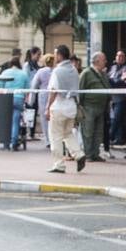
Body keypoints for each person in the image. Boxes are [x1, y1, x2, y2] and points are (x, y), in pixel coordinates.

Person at [45, 45, 86, 174]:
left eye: (56, 53)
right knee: (67, 133)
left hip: (59, 106)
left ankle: (59, 164)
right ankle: (78, 154)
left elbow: (53, 91)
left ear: (60, 55)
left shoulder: (57, 71)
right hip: (71, 107)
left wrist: (47, 107)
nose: (54, 56)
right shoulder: (74, 70)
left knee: (55, 136)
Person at [78, 52, 111, 163]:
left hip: (101, 108)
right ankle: (88, 154)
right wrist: (80, 107)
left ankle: (95, 153)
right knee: (88, 131)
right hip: (89, 107)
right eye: (103, 60)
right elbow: (80, 91)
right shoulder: (86, 73)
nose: (105, 62)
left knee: (98, 132)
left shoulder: (103, 74)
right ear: (97, 61)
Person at [0, 58, 30, 150]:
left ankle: (6, 142)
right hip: (19, 98)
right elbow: (27, 88)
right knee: (15, 121)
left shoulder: (5, 73)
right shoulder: (23, 74)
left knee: (6, 121)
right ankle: (14, 142)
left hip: (7, 98)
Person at [108, 49, 126, 156]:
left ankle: (110, 138)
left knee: (117, 118)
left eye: (122, 56)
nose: (119, 58)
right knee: (113, 118)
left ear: (125, 58)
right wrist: (117, 81)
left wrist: (115, 81)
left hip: (121, 98)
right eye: (118, 56)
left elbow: (122, 82)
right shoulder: (113, 67)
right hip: (111, 98)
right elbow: (109, 79)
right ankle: (118, 138)